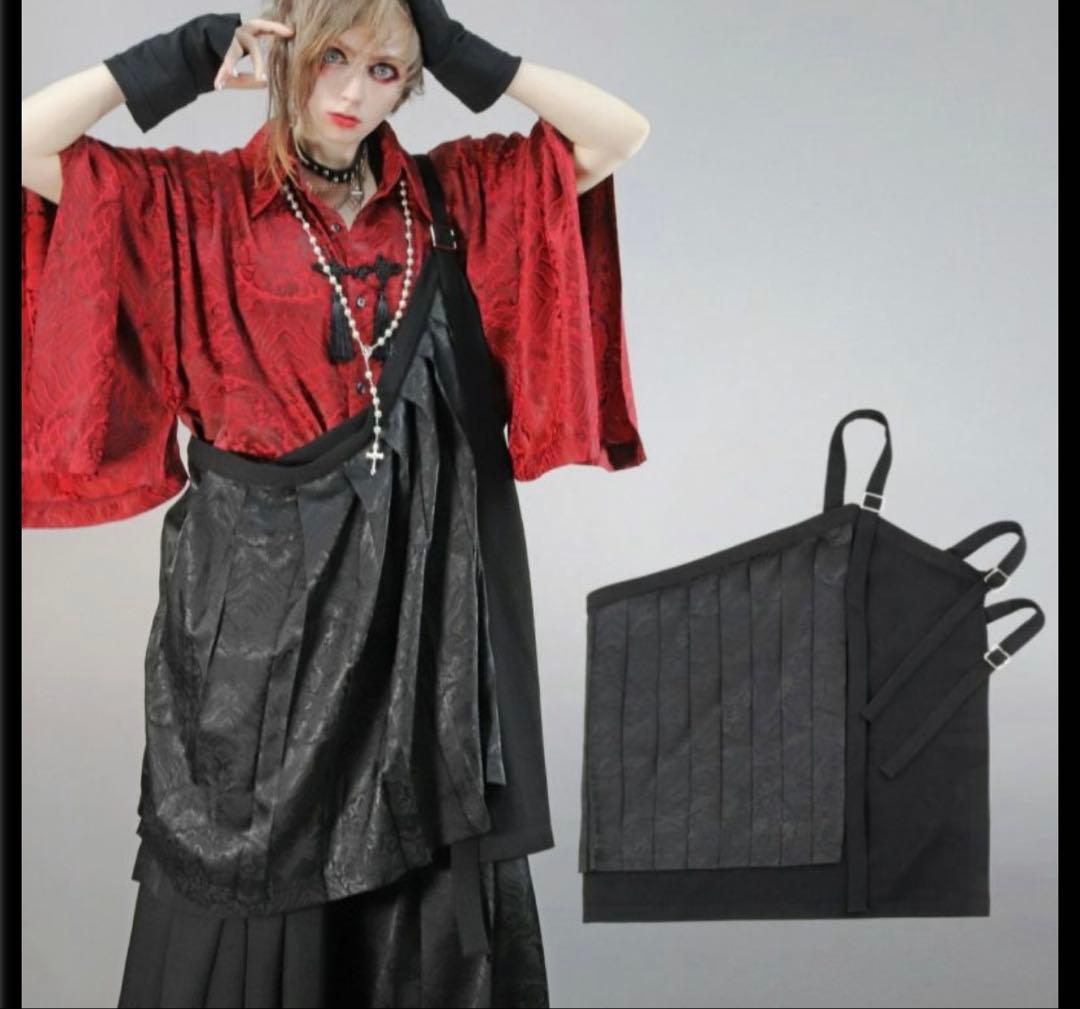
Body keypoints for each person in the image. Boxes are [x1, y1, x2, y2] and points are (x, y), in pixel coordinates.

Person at [21, 1, 649, 1005]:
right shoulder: (194, 202)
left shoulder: (451, 198)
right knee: (252, 884)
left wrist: (455, 48)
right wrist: (177, 59)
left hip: (417, 611)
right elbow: (23, 146)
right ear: (289, 54)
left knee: (416, 867)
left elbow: (616, 135)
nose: (354, 92)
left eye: (387, 71)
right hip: (256, 620)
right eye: (332, 59)